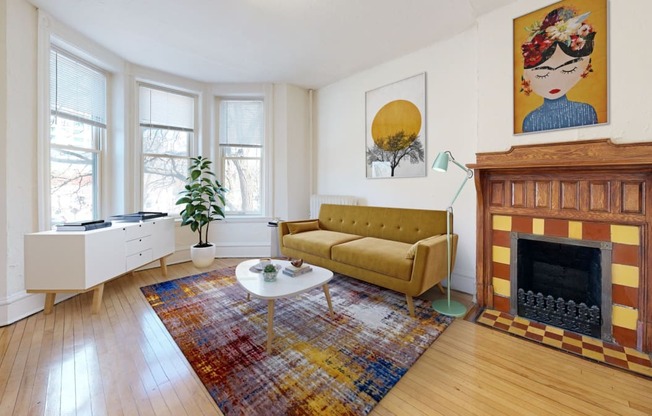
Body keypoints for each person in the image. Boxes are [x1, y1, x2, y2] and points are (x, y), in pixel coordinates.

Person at [520, 7, 598, 133]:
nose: (555, 81)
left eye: (569, 70)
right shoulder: (530, 121)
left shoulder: (586, 112)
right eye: (543, 74)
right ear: (527, 76)